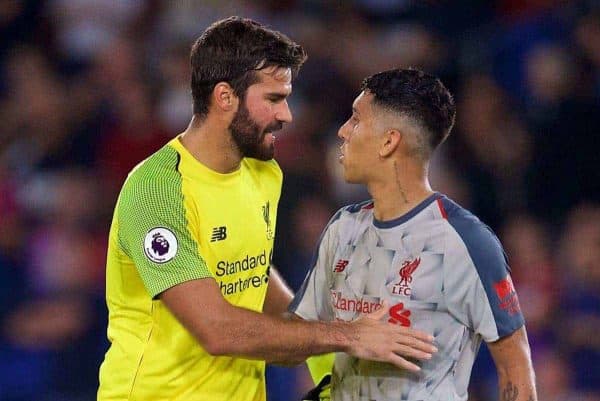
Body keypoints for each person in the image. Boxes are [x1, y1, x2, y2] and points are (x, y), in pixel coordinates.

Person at [97, 18, 437, 401]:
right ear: (225, 98)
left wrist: (345, 351)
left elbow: (259, 286)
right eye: (274, 99)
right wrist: (349, 336)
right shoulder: (157, 191)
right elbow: (217, 330)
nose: (287, 115)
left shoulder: (263, 172)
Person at [290, 68, 537, 401]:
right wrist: (346, 336)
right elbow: (292, 341)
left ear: (390, 141)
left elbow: (515, 368)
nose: (343, 131)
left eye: (355, 119)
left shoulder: (464, 241)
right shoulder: (342, 228)